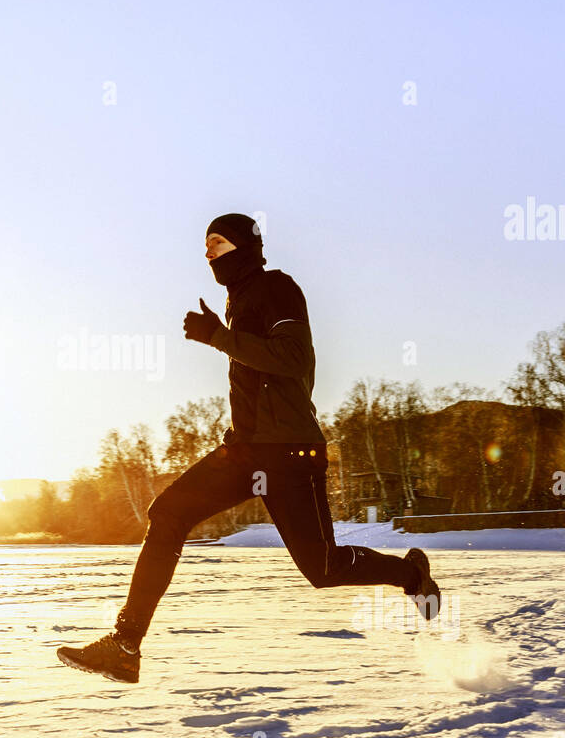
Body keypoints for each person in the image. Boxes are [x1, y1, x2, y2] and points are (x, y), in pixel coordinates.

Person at [58, 213, 441, 683]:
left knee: (322, 569)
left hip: (290, 453)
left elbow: (293, 357)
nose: (208, 253)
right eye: (205, 246)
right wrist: (225, 334)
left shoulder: (277, 288)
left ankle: (410, 575)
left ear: (245, 246)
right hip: (244, 452)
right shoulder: (238, 300)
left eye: (216, 243)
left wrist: (218, 337)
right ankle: (125, 645)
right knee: (168, 512)